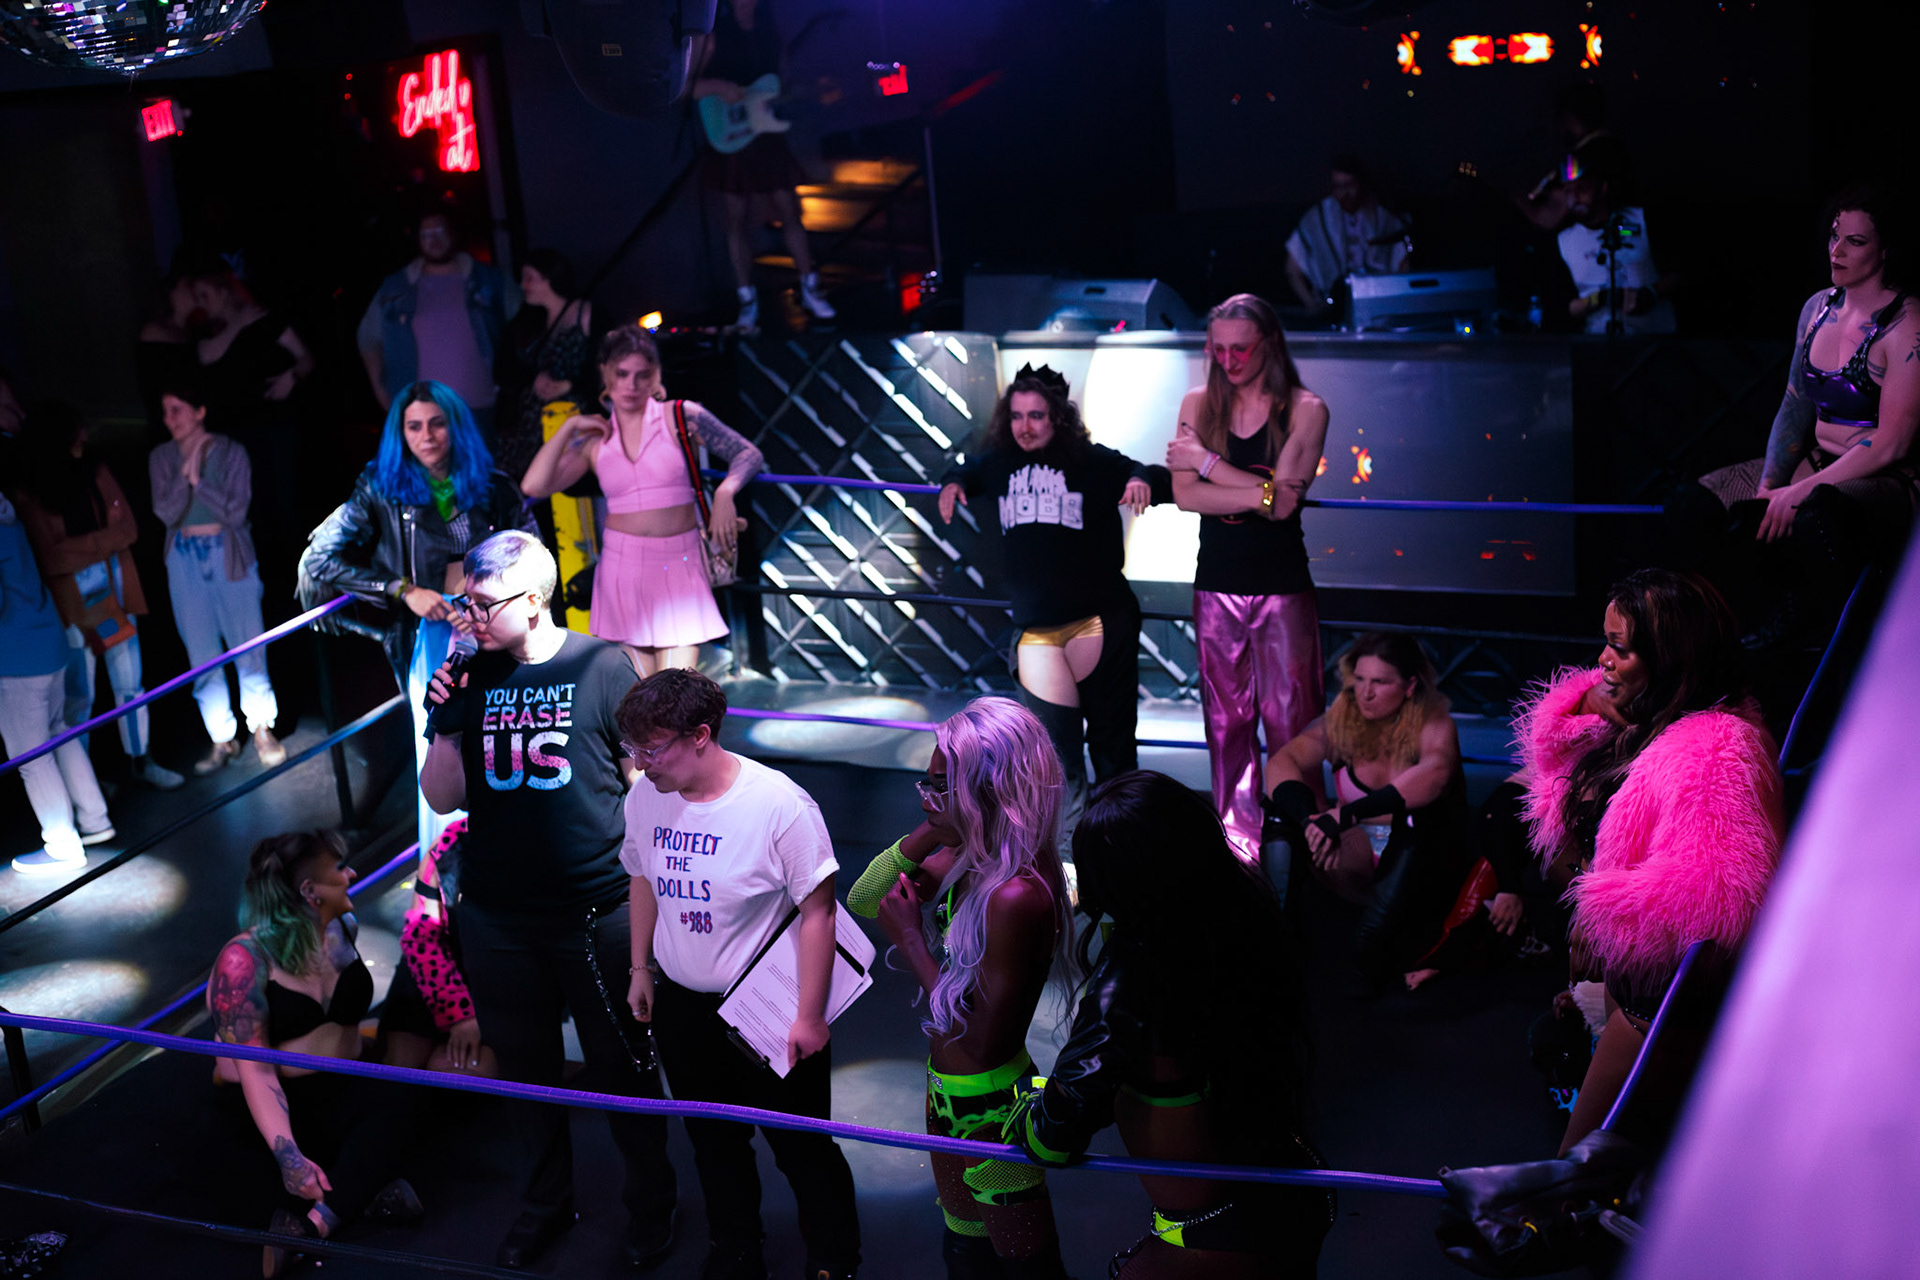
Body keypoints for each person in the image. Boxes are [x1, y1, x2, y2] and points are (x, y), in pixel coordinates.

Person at [420, 531, 678, 1270]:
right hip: (498, 915)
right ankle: (544, 1205)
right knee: (525, 1075)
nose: (469, 617)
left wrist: (654, 896)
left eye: (482, 604)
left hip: (596, 913)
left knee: (624, 1070)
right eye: (465, 603)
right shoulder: (470, 674)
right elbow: (442, 795)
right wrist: (446, 720)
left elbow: (644, 784)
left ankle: (653, 1208)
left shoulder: (601, 666)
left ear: (533, 600)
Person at [1016, 771, 1332, 1278]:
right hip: (1289, 1184)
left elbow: (1052, 1137)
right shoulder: (1244, 909)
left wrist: (1027, 1104)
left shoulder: (1129, 978)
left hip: (1219, 1232)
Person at [1513, 569, 1782, 1154]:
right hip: (1625, 992)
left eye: (1621, 647)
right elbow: (1553, 759)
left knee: (1578, 1173)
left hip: (1654, 1009)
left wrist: (1599, 918)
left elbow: (1713, 898)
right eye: (1605, 641)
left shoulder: (1715, 747)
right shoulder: (1650, 717)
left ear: (1671, 658)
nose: (1602, 660)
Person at [620, 668, 862, 1280]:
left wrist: (809, 1016)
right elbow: (642, 876)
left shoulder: (780, 805)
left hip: (766, 1007)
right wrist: (641, 966)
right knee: (712, 1143)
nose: (641, 763)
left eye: (652, 749)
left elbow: (819, 911)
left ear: (701, 735)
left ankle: (833, 1259)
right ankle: (735, 1250)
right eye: (634, 748)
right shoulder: (645, 796)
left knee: (802, 1146)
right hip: (683, 1006)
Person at [848, 696, 1073, 1280]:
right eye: (926, 782)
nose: (925, 796)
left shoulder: (1016, 893)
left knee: (1025, 1268)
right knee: (964, 1253)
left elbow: (979, 1041)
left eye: (940, 785)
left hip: (993, 1108)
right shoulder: (971, 856)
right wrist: (936, 820)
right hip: (946, 1091)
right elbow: (865, 897)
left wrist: (912, 941)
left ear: (988, 791)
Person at [300, 380, 535, 856]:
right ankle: (443, 873)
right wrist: (402, 590)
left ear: (454, 426)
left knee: (505, 743)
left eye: (436, 424)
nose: (426, 436)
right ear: (400, 433)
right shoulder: (381, 486)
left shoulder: (492, 484)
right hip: (430, 636)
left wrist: (493, 603)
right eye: (414, 426)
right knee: (443, 747)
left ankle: (510, 856)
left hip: (494, 626)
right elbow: (320, 557)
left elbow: (533, 557)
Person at [937, 364, 1170, 838]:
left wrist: (1140, 479)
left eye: (1036, 416)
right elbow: (966, 468)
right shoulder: (998, 462)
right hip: (1038, 632)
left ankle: (1124, 853)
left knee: (1113, 751)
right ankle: (1069, 866)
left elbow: (1147, 472)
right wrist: (952, 482)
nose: (1024, 427)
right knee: (1057, 762)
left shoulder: (1089, 460)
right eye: (1016, 416)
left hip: (1101, 621)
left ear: (1058, 418)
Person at [1695, 185, 1916, 645]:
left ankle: (1811, 640)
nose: (1837, 250)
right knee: (1698, 504)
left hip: (1886, 476)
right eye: (1834, 235)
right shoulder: (1817, 308)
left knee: (1819, 513)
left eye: (1855, 241)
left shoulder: (1906, 325)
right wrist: (1770, 488)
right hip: (1817, 463)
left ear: (1885, 250)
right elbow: (1794, 404)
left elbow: (1891, 443)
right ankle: (1707, 638)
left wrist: (1799, 492)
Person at [207, 830, 420, 1277]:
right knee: (283, 1170)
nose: (352, 874)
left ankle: (310, 1228)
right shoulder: (243, 961)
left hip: (344, 1084)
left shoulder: (343, 928)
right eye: (339, 869)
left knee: (405, 1097)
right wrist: (289, 1158)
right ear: (310, 891)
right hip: (277, 1101)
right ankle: (361, 1193)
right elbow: (257, 1073)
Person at [1165, 293, 1329, 862]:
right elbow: (1186, 496)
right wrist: (1258, 491)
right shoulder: (1198, 402)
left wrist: (1208, 463)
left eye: (1241, 349)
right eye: (1219, 349)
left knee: (1293, 721)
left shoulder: (1306, 408)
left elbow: (1283, 505)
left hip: (1282, 586)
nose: (1229, 361)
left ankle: (1306, 841)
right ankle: (1238, 847)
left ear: (1268, 345)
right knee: (1226, 722)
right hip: (1217, 584)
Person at [520, 325, 764, 674]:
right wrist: (569, 428)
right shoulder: (596, 439)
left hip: (681, 563)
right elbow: (533, 485)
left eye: (642, 375)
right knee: (639, 697)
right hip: (622, 568)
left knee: (678, 692)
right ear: (605, 373)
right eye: (622, 374)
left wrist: (726, 492)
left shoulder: (680, 416)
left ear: (656, 375)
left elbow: (748, 453)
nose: (631, 385)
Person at [1261, 633, 1476, 995]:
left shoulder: (1434, 723)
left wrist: (1345, 815)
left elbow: (1435, 776)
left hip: (1422, 862)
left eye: (1380, 682)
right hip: (1359, 857)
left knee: (1417, 826)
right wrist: (1311, 821)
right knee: (1280, 812)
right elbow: (1282, 763)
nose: (1366, 693)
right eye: (1359, 680)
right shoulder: (1342, 722)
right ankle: (1277, 941)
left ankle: (1370, 953)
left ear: (1409, 686)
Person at [14, 401, 183, 790]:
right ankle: (86, 782)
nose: (84, 437)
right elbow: (51, 557)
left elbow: (127, 531)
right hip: (73, 610)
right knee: (80, 698)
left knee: (129, 683)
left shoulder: (95, 471)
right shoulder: (32, 489)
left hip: (111, 602)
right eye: (76, 430)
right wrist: (101, 542)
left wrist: (82, 546)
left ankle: (140, 759)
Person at [148, 376, 284, 774]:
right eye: (165, 411)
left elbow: (235, 512)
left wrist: (198, 481)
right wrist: (184, 473)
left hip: (228, 555)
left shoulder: (230, 451)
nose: (170, 418)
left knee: (248, 644)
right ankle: (221, 736)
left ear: (199, 411)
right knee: (201, 653)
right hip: (184, 559)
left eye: (177, 409)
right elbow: (166, 512)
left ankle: (261, 727)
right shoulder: (161, 457)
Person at [691, 0, 836, 329]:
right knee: (736, 218)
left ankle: (810, 288)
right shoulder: (713, 36)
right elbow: (686, 87)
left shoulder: (770, 33)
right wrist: (718, 86)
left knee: (789, 208)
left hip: (765, 134)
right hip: (731, 135)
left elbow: (781, 84)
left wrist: (813, 90)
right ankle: (747, 301)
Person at [0, 488, 114, 875]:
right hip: (48, 643)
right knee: (59, 731)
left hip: (18, 656)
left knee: (31, 757)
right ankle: (95, 820)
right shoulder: (10, 517)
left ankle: (63, 846)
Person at [357, 208, 516, 437]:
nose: (434, 240)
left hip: (482, 410)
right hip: (420, 415)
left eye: (440, 231)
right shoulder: (395, 287)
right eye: (426, 234)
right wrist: (380, 390)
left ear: (453, 234)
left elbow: (529, 323)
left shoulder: (489, 279)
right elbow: (368, 338)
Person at [380, 817, 497, 1077]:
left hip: (499, 981)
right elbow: (420, 938)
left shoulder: (539, 843)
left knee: (464, 1071)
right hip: (436, 974)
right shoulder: (452, 840)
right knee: (400, 1071)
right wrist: (459, 1013)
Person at [493, 249, 597, 485]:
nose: (523, 285)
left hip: (571, 416)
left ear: (550, 278)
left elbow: (603, 365)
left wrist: (569, 385)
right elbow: (503, 367)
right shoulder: (527, 319)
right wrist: (533, 379)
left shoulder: (585, 314)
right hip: (527, 424)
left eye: (530, 278)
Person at [1553, 135, 1674, 336]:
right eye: (1568, 192)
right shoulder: (1565, 241)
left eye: (1582, 188)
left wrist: (1651, 293)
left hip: (1653, 341)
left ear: (1602, 187)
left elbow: (1681, 273)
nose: (1574, 198)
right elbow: (1565, 306)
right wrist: (1599, 299)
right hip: (1598, 342)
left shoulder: (1640, 222)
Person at [1285, 155, 1409, 314]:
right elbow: (1292, 270)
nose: (1345, 193)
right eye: (1338, 186)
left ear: (1360, 184)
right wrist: (1311, 305)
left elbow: (1404, 263)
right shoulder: (1318, 219)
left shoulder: (1383, 217)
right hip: (1332, 307)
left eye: (1349, 185)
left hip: (1378, 304)